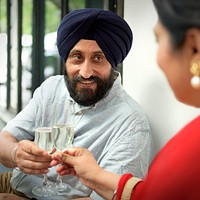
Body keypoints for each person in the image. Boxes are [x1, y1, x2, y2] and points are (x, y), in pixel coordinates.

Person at [51, 0, 200, 199]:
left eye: (158, 39)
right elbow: (143, 194)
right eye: (77, 57)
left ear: (193, 46)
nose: (85, 72)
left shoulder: (191, 151)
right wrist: (94, 175)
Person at [0, 8, 152, 200]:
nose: (86, 72)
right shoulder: (52, 89)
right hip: (12, 181)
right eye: (77, 57)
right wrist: (16, 154)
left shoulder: (132, 124)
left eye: (98, 58)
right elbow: (4, 139)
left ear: (113, 62)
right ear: (66, 59)